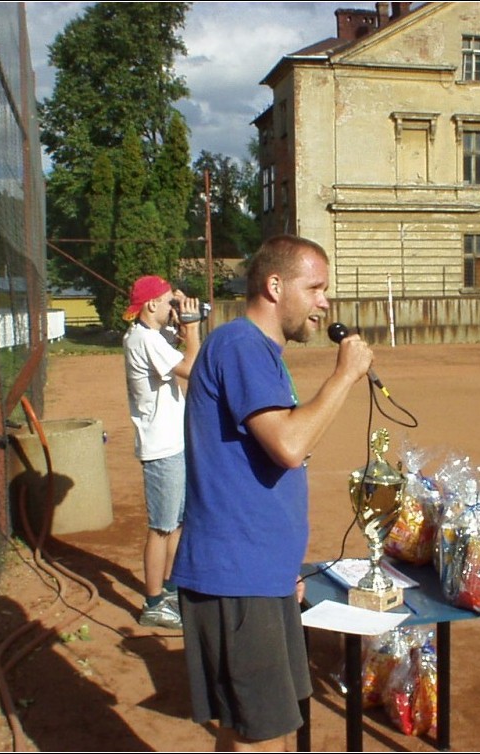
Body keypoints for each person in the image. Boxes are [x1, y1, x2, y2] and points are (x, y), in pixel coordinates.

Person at [172, 234, 374, 751]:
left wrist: (283, 569)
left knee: (260, 730)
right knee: (259, 737)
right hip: (237, 577)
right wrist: (344, 377)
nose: (325, 303)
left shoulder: (256, 350)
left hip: (260, 573)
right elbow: (288, 444)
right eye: (316, 288)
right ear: (275, 285)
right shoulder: (241, 345)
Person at [122, 275, 202, 629]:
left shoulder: (154, 337)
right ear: (151, 305)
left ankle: (170, 586)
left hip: (173, 442)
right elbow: (192, 369)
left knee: (177, 523)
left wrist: (182, 320)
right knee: (162, 526)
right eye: (169, 301)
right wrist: (193, 329)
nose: (175, 307)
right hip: (161, 447)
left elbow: (178, 344)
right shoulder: (143, 339)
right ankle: (153, 601)